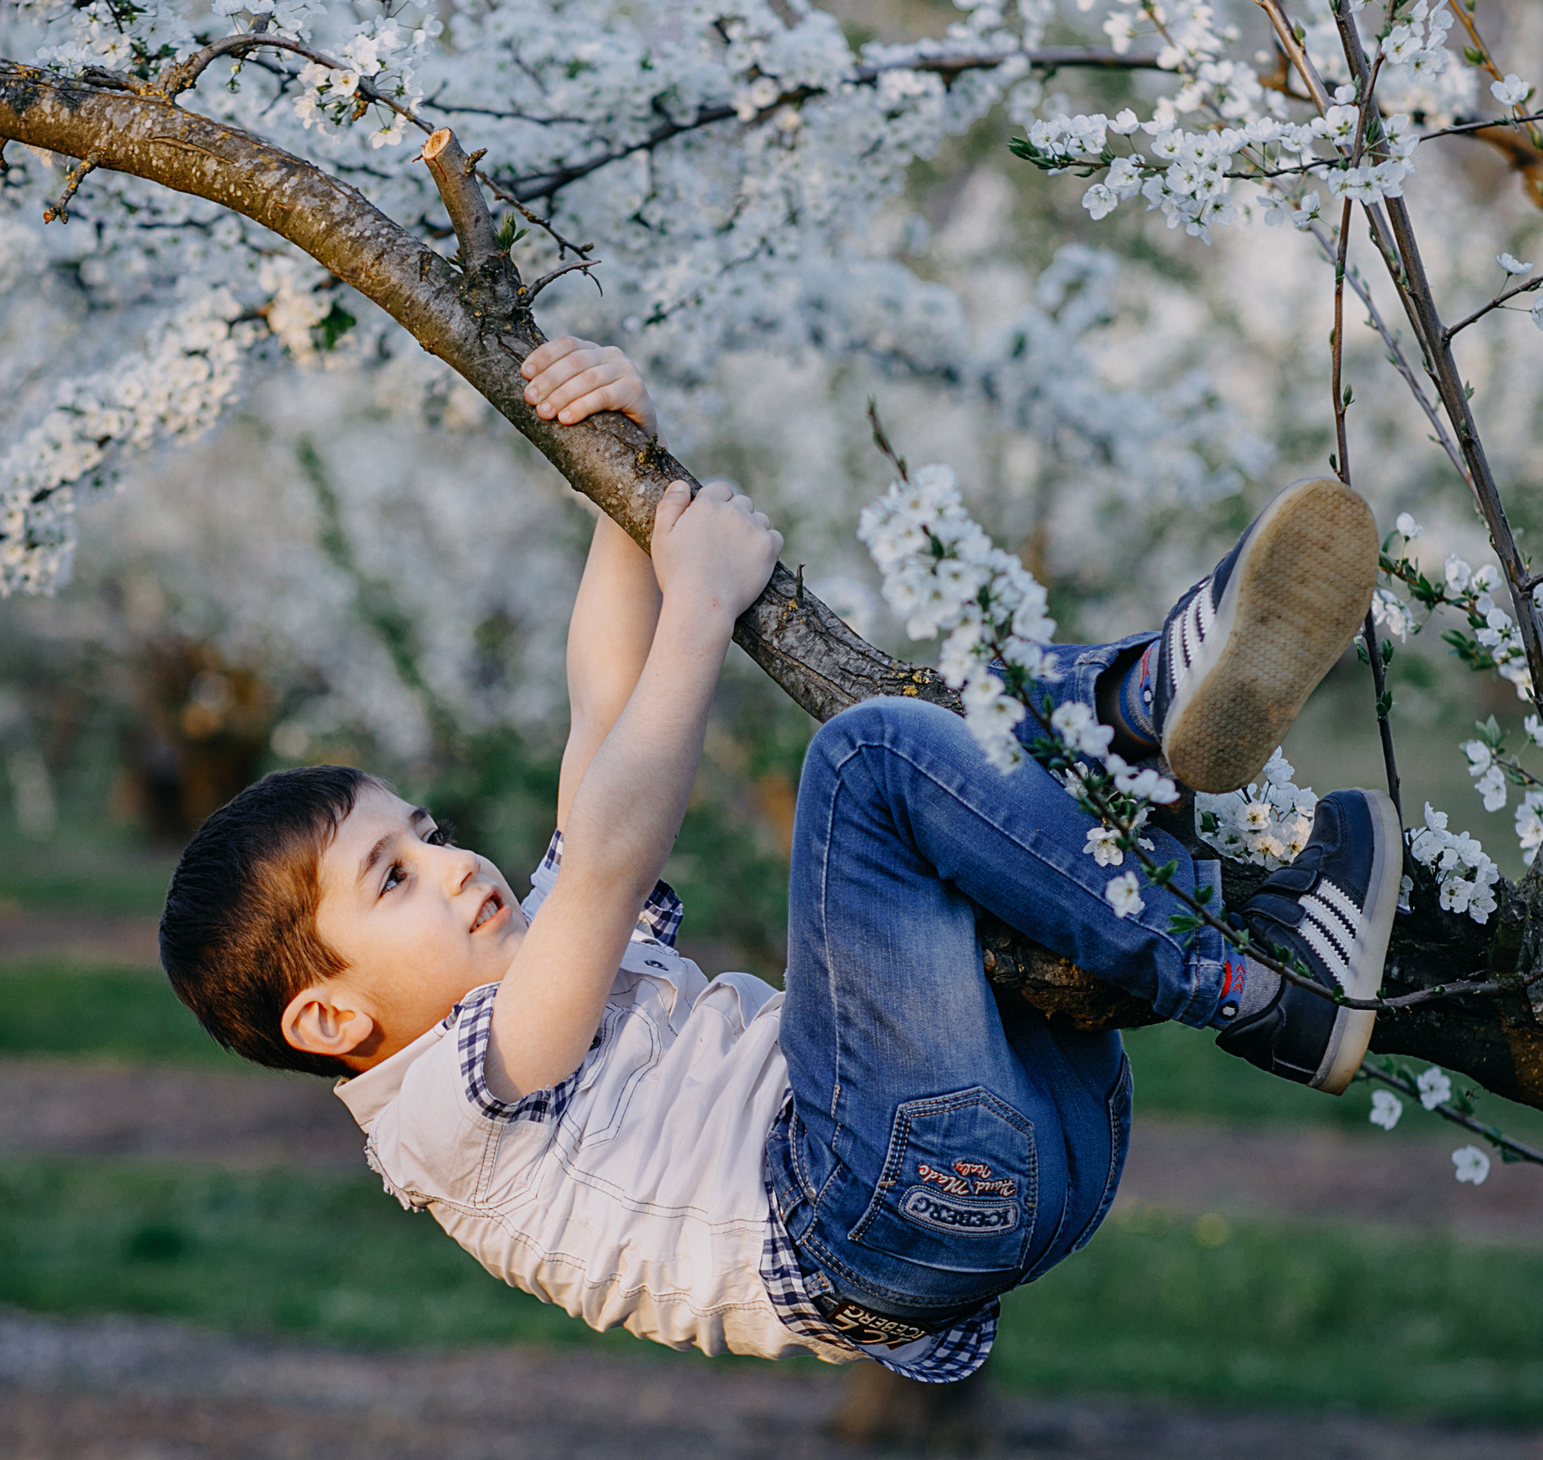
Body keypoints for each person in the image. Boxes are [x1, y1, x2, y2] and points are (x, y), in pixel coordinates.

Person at [158, 337, 1398, 1381]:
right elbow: (605, 851)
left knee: (960, 776)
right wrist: (700, 604)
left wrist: (620, 482)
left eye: (424, 835)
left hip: (1020, 1157)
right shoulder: (439, 1113)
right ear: (328, 1019)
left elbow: (600, 714)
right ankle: (1248, 988)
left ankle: (1137, 712)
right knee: (869, 763)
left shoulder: (531, 968)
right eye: (391, 879)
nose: (449, 864)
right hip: (884, 1209)